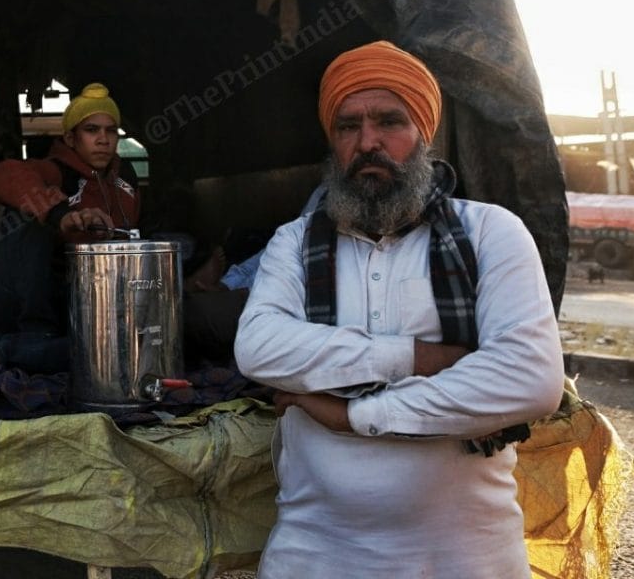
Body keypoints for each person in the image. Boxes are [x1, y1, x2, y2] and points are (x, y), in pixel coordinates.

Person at [233, 40, 563, 577]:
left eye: (390, 121)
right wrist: (423, 358)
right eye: (348, 126)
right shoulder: (294, 242)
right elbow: (259, 349)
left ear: (424, 133)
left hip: (469, 554)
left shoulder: (491, 233)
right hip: (315, 550)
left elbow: (530, 379)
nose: (368, 142)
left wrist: (353, 415)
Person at [0, 82, 141, 373]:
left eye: (111, 131)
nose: (103, 139)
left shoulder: (125, 182)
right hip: (44, 296)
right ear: (71, 138)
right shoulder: (56, 170)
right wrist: (60, 214)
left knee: (122, 347)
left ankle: (10, 351)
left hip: (98, 299)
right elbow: (4, 174)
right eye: (91, 130)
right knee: (23, 218)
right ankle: (32, 339)